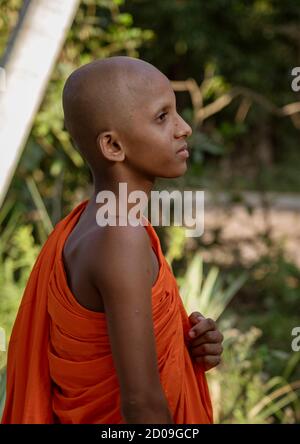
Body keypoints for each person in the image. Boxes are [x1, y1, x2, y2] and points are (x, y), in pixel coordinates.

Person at [1, 56, 223, 424]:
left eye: (176, 113)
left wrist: (185, 346)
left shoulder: (87, 225)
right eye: (162, 117)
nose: (183, 128)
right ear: (113, 146)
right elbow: (142, 405)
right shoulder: (119, 236)